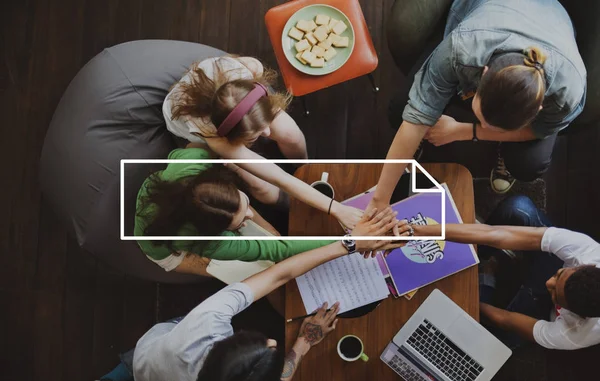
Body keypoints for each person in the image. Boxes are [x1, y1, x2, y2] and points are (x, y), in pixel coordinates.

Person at [99, 207, 405, 381]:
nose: (273, 341)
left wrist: (350, 243)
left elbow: (278, 273)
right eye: (273, 345)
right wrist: (302, 343)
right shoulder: (208, 322)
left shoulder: (204, 323)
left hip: (144, 361)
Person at [377, 0, 586, 207]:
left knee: (529, 165)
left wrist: (465, 131)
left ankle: (505, 146)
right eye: (483, 118)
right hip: (481, 21)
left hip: (550, 25)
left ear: (537, 109)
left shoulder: (566, 93)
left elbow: (540, 130)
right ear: (483, 74)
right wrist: (379, 201)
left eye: (497, 129)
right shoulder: (463, 48)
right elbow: (416, 116)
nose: (485, 127)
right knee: (400, 109)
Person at [163, 55, 362, 228]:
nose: (267, 132)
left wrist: (303, 171)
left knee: (290, 134)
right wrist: (336, 209)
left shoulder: (247, 69)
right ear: (232, 137)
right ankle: (289, 203)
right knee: (260, 185)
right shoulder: (213, 135)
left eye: (264, 126)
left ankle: (304, 166)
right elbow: (277, 177)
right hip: (193, 132)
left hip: (236, 99)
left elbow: (253, 74)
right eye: (255, 135)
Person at [400, 195, 600, 350]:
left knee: (491, 339)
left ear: (578, 316)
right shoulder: (588, 252)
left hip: (543, 313)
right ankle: (482, 255)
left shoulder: (575, 333)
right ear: (585, 266)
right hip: (557, 263)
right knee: (518, 207)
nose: (548, 282)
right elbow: (496, 234)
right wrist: (417, 231)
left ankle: (487, 278)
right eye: (558, 275)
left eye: (556, 293)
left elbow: (506, 320)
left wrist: (459, 300)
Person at [135, 146, 335, 275]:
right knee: (243, 271)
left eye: (244, 203)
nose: (250, 215)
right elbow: (279, 250)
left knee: (272, 235)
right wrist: (348, 241)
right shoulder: (212, 245)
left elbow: (176, 153)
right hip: (161, 245)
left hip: (183, 207)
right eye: (238, 222)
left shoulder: (193, 161)